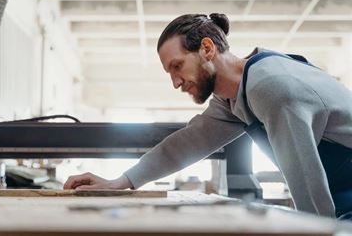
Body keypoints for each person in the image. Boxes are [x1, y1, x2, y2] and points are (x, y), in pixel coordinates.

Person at [64, 13, 352, 220]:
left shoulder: (270, 86)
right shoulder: (236, 96)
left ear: (207, 48)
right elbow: (187, 144)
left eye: (177, 66)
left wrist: (316, 231)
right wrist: (122, 181)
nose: (176, 82)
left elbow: (305, 178)